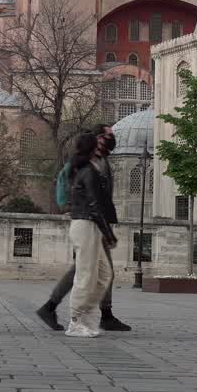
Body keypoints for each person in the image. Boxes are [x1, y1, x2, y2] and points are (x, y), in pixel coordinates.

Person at [37, 124, 132, 332]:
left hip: (96, 221)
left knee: (91, 270)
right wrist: (69, 207)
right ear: (98, 138)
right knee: (94, 271)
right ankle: (92, 315)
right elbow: (67, 183)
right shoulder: (85, 163)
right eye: (108, 135)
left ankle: (56, 308)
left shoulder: (101, 161)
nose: (112, 138)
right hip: (89, 221)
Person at [58, 131, 114, 337]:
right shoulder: (87, 171)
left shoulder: (87, 168)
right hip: (85, 224)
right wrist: (108, 233)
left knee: (104, 274)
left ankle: (87, 316)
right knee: (85, 275)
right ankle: (75, 321)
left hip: (90, 225)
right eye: (98, 143)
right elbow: (94, 204)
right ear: (92, 148)